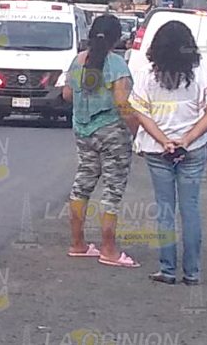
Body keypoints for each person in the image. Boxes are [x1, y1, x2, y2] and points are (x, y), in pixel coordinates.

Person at [129, 20, 207, 286]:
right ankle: (192, 273)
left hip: (157, 150)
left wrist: (163, 141)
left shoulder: (147, 75)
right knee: (190, 208)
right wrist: (186, 139)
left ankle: (167, 269)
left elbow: (140, 112)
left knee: (165, 209)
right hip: (192, 150)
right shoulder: (201, 72)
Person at [62, 15, 137, 267]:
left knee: (81, 185)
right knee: (112, 192)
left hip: (82, 130)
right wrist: (138, 132)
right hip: (112, 132)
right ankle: (109, 250)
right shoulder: (116, 65)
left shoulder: (77, 61)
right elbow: (122, 104)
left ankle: (78, 243)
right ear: (118, 38)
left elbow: (67, 94)